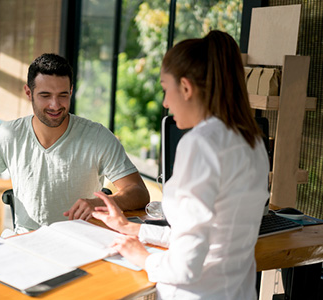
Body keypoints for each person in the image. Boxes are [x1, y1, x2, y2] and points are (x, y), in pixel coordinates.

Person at [92, 30, 270, 299]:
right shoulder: (252, 139)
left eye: (166, 89)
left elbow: (185, 266)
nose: (165, 102)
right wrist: (134, 229)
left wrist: (142, 257)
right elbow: (208, 235)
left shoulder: (200, 144)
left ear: (186, 88)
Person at [0, 53, 149, 232]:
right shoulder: (9, 135)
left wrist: (100, 203)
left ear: (71, 91)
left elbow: (139, 191)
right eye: (45, 95)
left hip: (83, 239)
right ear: (28, 93)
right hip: (27, 242)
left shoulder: (97, 137)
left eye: (63, 95)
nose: (55, 105)